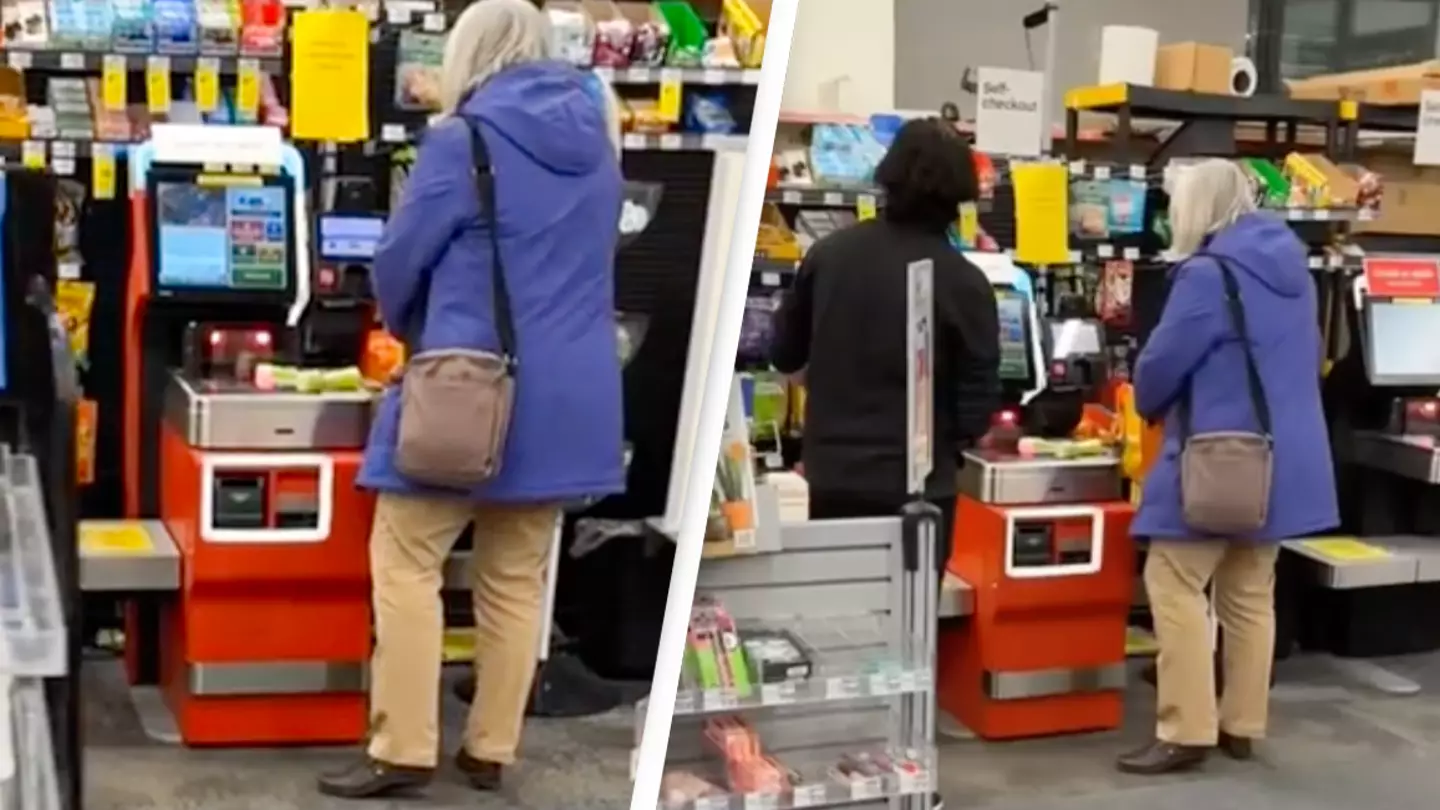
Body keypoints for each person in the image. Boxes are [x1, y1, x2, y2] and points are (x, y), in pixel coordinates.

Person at [317, 0, 626, 798]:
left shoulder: (464, 139)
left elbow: (398, 258)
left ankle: (403, 747)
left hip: (465, 385)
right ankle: (491, 746)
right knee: (518, 575)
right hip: (571, 392)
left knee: (408, 559)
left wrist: (415, 326)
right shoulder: (602, 140)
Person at [769, 118, 1001, 810]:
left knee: (832, 630)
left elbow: (783, 352)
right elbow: (979, 399)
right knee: (907, 640)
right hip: (921, 494)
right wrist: (941, 442)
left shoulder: (831, 256)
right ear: (962, 195)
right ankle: (905, 776)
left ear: (888, 178)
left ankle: (828, 774)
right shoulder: (965, 281)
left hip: (834, 477)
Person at [1118, 159, 1338, 775]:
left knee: (1174, 581)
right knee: (1248, 589)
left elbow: (1162, 366)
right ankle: (1243, 723)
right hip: (1283, 456)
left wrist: (1146, 396)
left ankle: (1186, 729)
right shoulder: (1294, 269)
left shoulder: (1207, 275)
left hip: (1219, 455)